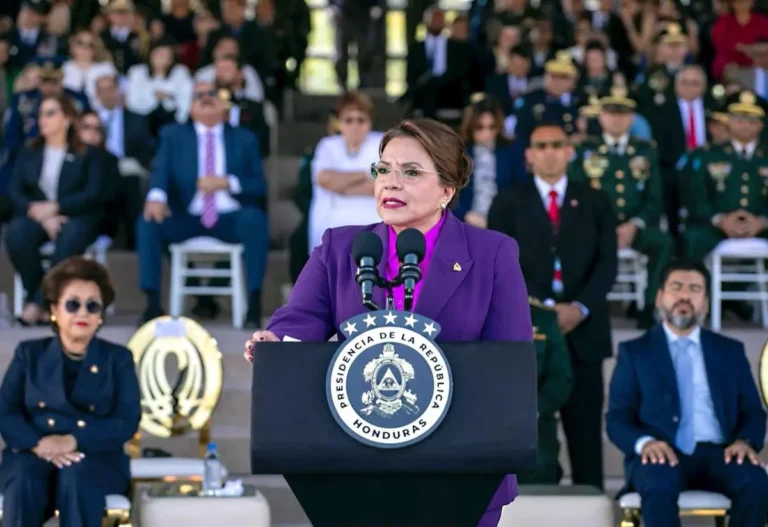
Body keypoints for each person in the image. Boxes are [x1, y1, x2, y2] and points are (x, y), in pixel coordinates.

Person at [244, 118, 533, 527]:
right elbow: (299, 322)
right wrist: (275, 341)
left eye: (410, 172)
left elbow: (509, 362)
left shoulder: (492, 253)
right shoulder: (341, 246)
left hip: (461, 472)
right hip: (358, 465)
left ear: (447, 191)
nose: (389, 183)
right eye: (383, 169)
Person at [488, 121, 618, 490]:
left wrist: (580, 307)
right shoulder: (507, 201)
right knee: (532, 439)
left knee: (586, 438)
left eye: (557, 144)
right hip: (528, 334)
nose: (549, 151)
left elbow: (608, 262)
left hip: (585, 331)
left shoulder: (596, 200)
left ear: (569, 151)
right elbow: (502, 265)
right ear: (528, 155)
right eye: (541, 145)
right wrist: (543, 308)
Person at [606, 260, 768, 527]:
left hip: (719, 452)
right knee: (657, 487)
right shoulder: (635, 352)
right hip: (660, 453)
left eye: (695, 289)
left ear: (705, 301)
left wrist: (745, 441)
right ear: (659, 297)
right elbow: (617, 418)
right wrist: (644, 443)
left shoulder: (729, 351)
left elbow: (752, 410)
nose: (684, 296)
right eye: (676, 287)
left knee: (756, 482)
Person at [0, 256, 141, 527]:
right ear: (54, 309)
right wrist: (39, 445)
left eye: (93, 306)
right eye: (73, 304)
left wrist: (73, 441)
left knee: (77, 479)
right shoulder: (29, 354)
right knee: (24, 479)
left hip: (96, 457)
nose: (83, 313)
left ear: (101, 315)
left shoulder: (118, 358)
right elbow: (6, 411)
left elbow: (126, 419)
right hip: (33, 452)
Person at [137, 81, 269, 328]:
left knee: (256, 220)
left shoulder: (245, 138)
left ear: (224, 105)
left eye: (213, 94)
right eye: (199, 95)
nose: (206, 98)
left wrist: (227, 182)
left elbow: (259, 185)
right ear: (190, 108)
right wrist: (156, 197)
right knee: (149, 220)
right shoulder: (173, 135)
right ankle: (152, 303)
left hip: (229, 217)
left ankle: (253, 304)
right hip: (188, 215)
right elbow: (160, 171)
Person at [569, 85, 672, 328]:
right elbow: (577, 195)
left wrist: (634, 225)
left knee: (664, 243)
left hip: (635, 226)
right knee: (575, 243)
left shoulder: (646, 150)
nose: (617, 118)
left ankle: (647, 306)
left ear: (631, 117)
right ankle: (586, 304)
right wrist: (604, 227)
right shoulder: (586, 150)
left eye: (623, 113)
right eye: (611, 112)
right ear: (601, 116)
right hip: (596, 226)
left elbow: (654, 197)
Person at [5, 94, 107, 326]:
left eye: (50, 113)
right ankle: (43, 300)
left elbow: (93, 192)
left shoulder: (85, 153)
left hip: (76, 217)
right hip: (38, 217)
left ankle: (37, 303)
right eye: (41, 113)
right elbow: (15, 191)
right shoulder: (29, 150)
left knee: (70, 236)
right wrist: (39, 214)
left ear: (67, 119)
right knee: (16, 233)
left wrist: (58, 207)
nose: (43, 119)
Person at [684, 90, 768, 263]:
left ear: (761, 124)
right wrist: (720, 220)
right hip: (716, 226)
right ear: (728, 121)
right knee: (692, 240)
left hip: (762, 225)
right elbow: (696, 197)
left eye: (752, 120)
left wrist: (762, 222)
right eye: (739, 119)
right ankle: (698, 288)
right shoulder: (708, 154)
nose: (745, 124)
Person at [308, 91, 382, 253]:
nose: (355, 126)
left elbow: (382, 185)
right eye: (349, 120)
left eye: (361, 120)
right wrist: (364, 174)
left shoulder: (382, 143)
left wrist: (341, 186)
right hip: (330, 221)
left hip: (375, 221)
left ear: (370, 122)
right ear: (339, 123)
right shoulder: (327, 145)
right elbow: (324, 179)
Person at [517, 297, 573, 485]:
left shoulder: (543, 318)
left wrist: (535, 409)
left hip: (533, 420)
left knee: (539, 462)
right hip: (480, 419)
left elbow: (560, 376)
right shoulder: (464, 312)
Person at [455, 95, 526, 228]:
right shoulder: (459, 153)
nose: (486, 133)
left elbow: (520, 188)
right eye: (480, 127)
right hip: (465, 223)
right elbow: (446, 192)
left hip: (504, 222)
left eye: (491, 127)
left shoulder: (511, 150)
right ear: (470, 127)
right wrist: (466, 215)